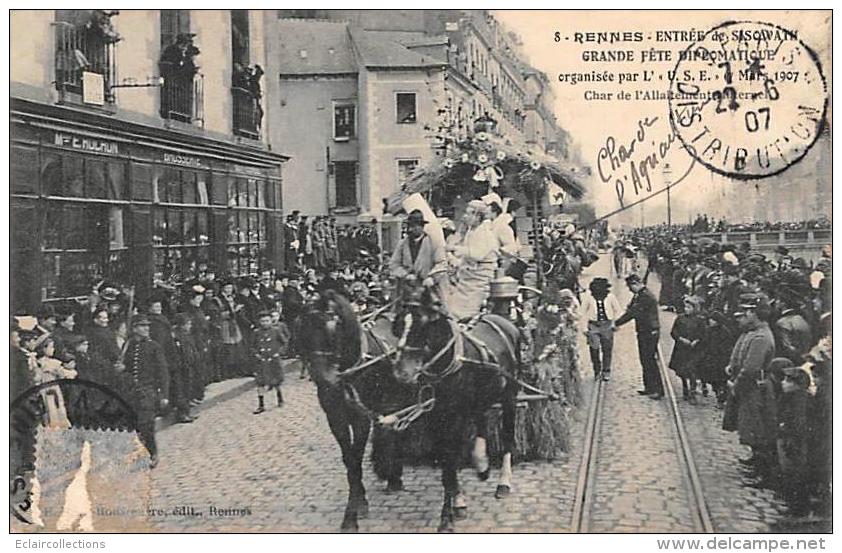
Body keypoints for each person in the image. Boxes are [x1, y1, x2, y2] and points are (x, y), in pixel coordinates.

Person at [724, 293, 777, 475]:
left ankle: (760, 469)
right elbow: (739, 355)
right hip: (750, 387)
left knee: (756, 426)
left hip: (755, 388)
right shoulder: (752, 333)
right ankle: (755, 458)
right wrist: (731, 367)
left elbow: (751, 369)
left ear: (754, 313)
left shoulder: (761, 337)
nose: (743, 317)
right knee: (748, 425)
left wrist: (735, 387)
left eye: (746, 313)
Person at [119, 315, 170, 469]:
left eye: (147, 326)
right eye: (142, 326)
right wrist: (121, 370)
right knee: (135, 424)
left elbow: (163, 372)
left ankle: (152, 453)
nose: (146, 328)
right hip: (132, 392)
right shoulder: (128, 346)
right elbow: (126, 367)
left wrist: (164, 395)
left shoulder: (154, 346)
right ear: (134, 329)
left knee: (147, 424)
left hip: (148, 391)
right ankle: (141, 453)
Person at [446, 201, 498, 320]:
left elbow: (477, 255)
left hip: (478, 284)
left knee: (461, 313)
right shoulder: (472, 232)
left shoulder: (484, 233)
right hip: (466, 282)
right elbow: (464, 258)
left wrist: (455, 248)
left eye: (469, 213)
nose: (465, 216)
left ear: (478, 216)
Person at [615, 273, 664, 399]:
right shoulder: (640, 295)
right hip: (644, 331)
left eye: (630, 287)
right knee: (645, 360)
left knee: (649, 360)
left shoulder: (645, 297)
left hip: (649, 332)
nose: (629, 290)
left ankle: (658, 390)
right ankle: (649, 387)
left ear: (635, 284)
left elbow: (632, 313)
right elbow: (631, 308)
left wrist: (617, 323)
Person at [389, 209, 448, 300]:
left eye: (417, 226)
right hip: (407, 289)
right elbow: (393, 264)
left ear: (422, 226)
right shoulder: (402, 243)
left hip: (429, 289)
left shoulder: (434, 242)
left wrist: (432, 278)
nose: (413, 229)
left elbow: (441, 264)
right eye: (411, 226)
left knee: (436, 309)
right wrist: (405, 275)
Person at [580, 277, 622, 381]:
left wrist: (615, 323)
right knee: (594, 349)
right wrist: (584, 328)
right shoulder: (588, 298)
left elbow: (618, 311)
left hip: (607, 325)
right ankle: (597, 371)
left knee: (607, 349)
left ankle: (606, 371)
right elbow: (582, 313)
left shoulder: (611, 297)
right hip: (593, 326)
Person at [668, 296, 707, 402]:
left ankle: (692, 393)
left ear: (694, 308)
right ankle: (685, 388)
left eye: (689, 307)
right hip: (681, 350)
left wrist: (696, 341)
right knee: (681, 371)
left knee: (691, 371)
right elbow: (673, 332)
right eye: (686, 307)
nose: (687, 309)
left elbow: (703, 334)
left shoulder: (700, 320)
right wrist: (680, 339)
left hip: (694, 351)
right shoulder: (680, 318)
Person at [252, 311, 290, 414]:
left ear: (271, 321)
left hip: (274, 359)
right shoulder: (256, 332)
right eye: (262, 321)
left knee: (276, 380)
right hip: (262, 361)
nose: (265, 323)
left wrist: (280, 352)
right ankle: (261, 405)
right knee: (260, 382)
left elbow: (285, 342)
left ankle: (280, 398)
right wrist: (256, 355)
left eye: (267, 321)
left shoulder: (276, 331)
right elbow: (252, 346)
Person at [171, 314, 198, 424]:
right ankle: (182, 414)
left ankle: (187, 412)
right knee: (181, 389)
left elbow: (191, 349)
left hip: (188, 365)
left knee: (188, 388)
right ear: (182, 325)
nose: (190, 326)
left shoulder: (187, 334)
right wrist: (182, 363)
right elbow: (178, 352)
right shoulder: (176, 336)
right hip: (181, 366)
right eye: (188, 324)